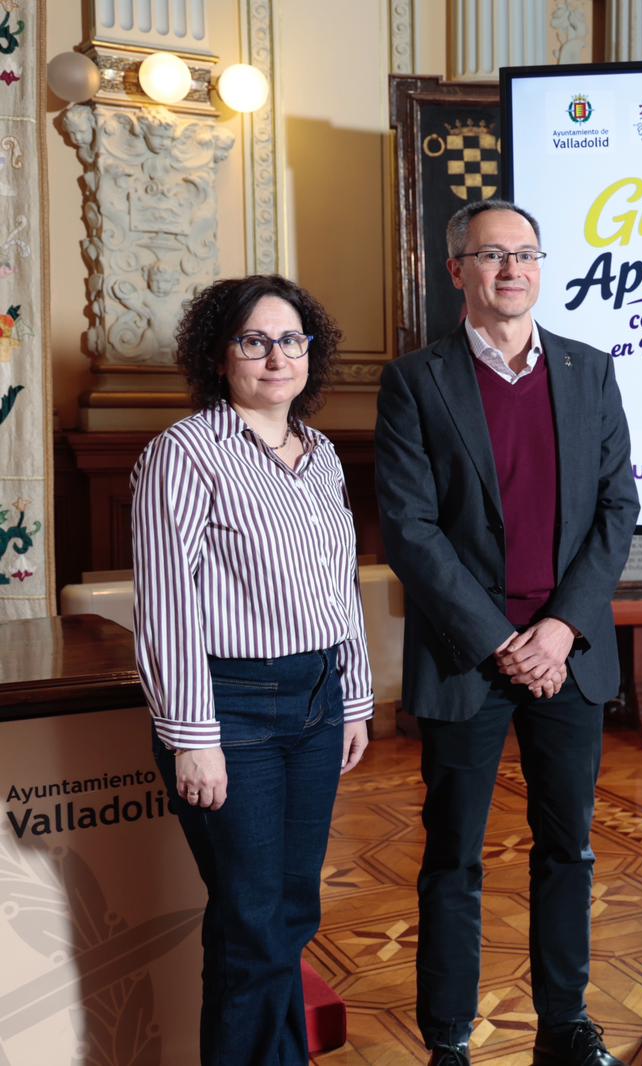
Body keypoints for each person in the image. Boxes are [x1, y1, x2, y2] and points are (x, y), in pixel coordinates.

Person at [375, 199, 639, 1066]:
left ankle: (564, 1024)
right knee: (453, 854)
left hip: (568, 658)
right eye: (493, 255)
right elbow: (410, 528)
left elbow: (617, 508)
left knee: (569, 850)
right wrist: (501, 641)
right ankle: (450, 1037)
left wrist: (559, 629)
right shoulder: (416, 381)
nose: (513, 269)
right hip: (468, 657)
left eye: (526, 254)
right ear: (458, 270)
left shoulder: (590, 370)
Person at [132, 274, 374, 1066]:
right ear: (219, 354)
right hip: (231, 710)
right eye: (254, 340)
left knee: (290, 915)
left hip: (317, 702)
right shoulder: (184, 453)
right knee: (253, 922)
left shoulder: (322, 454)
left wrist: (354, 698)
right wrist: (192, 737)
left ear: (312, 353)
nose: (277, 357)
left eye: (292, 340)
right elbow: (167, 603)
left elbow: (339, 586)